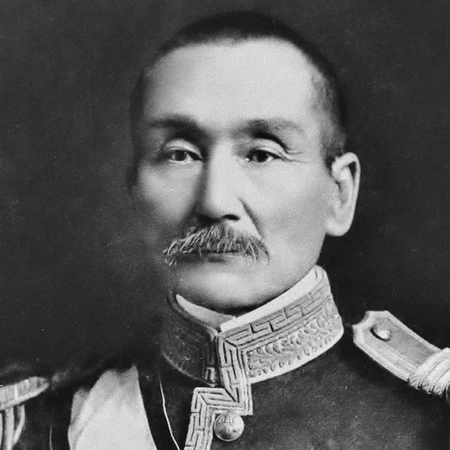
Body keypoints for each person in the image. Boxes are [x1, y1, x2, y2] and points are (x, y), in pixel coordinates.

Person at [2, 10, 449, 450]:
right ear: (134, 190)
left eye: (262, 154)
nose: (215, 202)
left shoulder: (430, 422)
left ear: (340, 194)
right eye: (180, 154)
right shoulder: (42, 426)